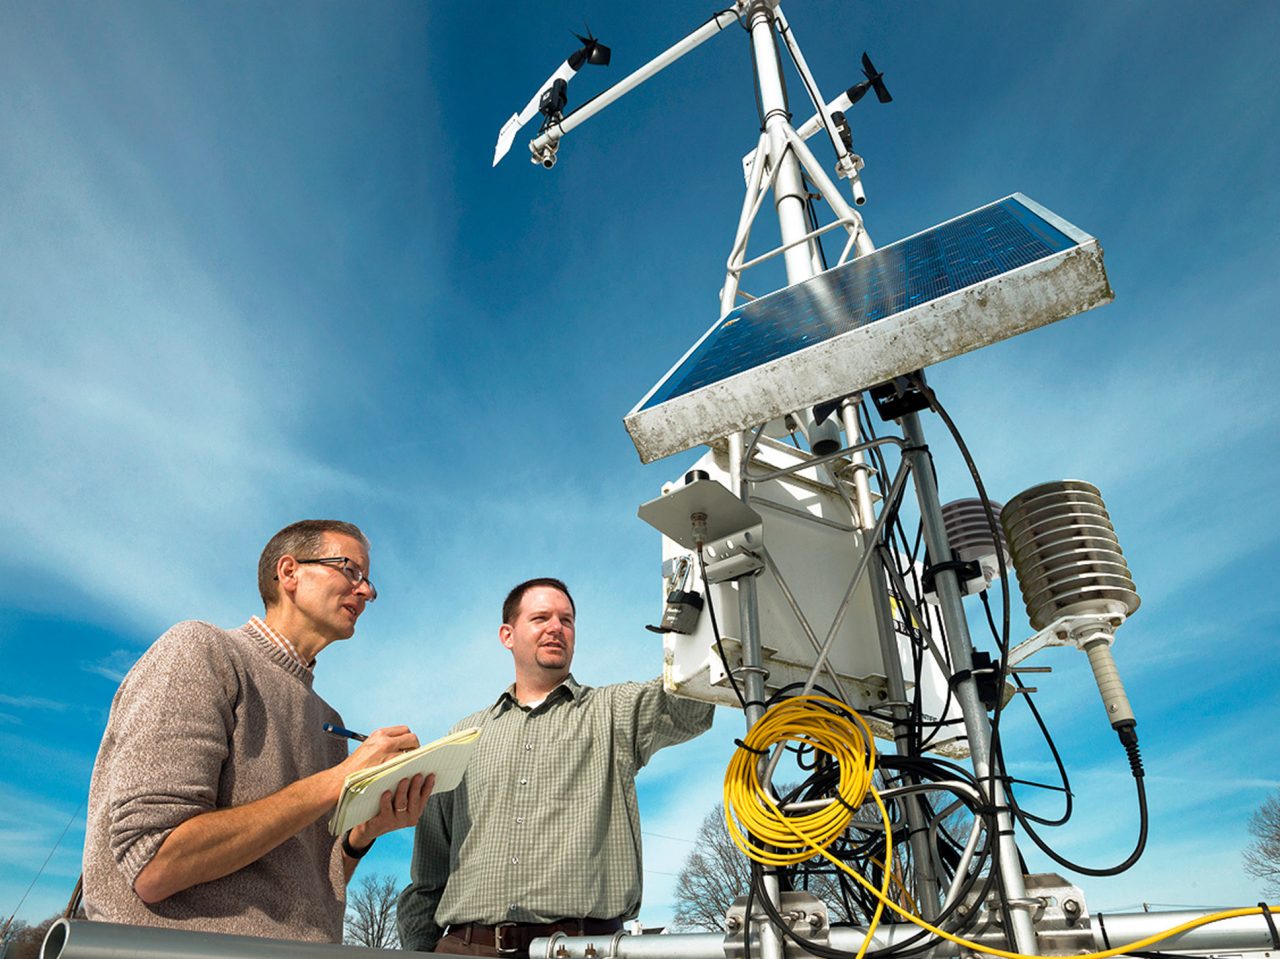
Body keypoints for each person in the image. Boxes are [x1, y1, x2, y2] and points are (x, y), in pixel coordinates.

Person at [82, 519, 433, 943]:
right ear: (289, 573)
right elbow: (156, 864)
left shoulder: (329, 719)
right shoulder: (200, 651)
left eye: (369, 581)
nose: (366, 591)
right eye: (350, 570)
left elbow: (307, 885)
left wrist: (362, 835)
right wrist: (340, 779)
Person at [397, 577, 715, 956]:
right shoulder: (463, 735)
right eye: (541, 618)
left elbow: (689, 704)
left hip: (582, 948)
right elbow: (428, 874)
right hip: (467, 947)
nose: (556, 628)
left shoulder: (613, 712)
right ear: (507, 635)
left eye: (567, 620)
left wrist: (708, 608)